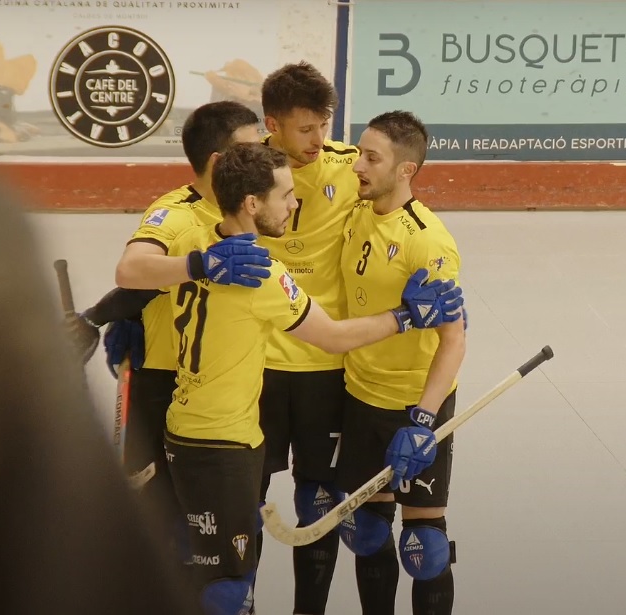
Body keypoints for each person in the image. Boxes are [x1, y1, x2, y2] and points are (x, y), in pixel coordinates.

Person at [162, 142, 464, 615]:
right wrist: (408, 316)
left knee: (210, 572)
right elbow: (335, 337)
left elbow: (143, 273)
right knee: (226, 592)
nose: (295, 203)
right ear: (252, 204)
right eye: (286, 195)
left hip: (183, 429)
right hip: (226, 443)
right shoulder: (260, 274)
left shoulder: (193, 245)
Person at [64, 101, 274, 548]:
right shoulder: (176, 212)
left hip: (232, 393)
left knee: (235, 532)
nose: (265, 158)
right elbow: (134, 273)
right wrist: (106, 316)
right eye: (252, 149)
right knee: (168, 529)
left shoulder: (262, 205)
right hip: (167, 384)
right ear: (218, 162)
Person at [335, 111, 466, 615]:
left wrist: (424, 420)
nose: (358, 167)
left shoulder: (428, 241)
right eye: (359, 154)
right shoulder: (357, 211)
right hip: (359, 395)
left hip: (414, 408)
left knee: (424, 547)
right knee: (368, 533)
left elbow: (453, 341)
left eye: (371, 158)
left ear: (406, 170)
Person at [253, 61, 361, 614]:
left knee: (318, 497)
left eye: (324, 125)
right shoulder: (245, 170)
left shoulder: (349, 166)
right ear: (273, 125)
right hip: (257, 364)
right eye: (304, 129)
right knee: (244, 495)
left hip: (326, 362)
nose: (319, 140)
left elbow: (398, 197)